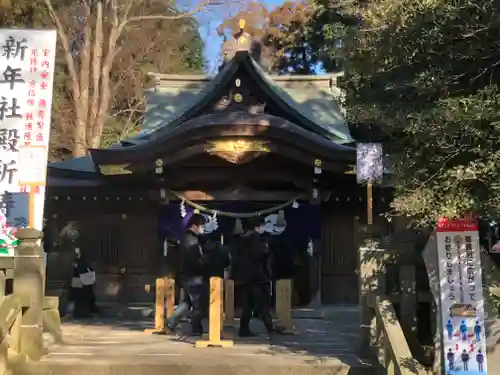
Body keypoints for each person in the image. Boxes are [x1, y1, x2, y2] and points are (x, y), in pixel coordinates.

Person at [232, 217, 285, 337]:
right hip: (256, 277)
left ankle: (243, 329)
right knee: (262, 304)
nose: (264, 229)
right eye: (262, 226)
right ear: (256, 227)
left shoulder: (242, 240)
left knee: (248, 305)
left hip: (244, 278)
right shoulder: (255, 240)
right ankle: (270, 328)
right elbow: (262, 255)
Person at [165, 214, 209, 336]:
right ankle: (196, 329)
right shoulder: (191, 240)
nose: (203, 229)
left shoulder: (187, 238)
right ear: (194, 226)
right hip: (192, 275)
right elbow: (194, 260)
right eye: (201, 226)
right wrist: (204, 263)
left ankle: (171, 322)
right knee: (197, 303)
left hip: (187, 275)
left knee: (188, 302)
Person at [70, 248, 99, 318]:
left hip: (84, 284)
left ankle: (85, 311)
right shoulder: (75, 263)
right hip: (78, 284)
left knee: (85, 297)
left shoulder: (83, 263)